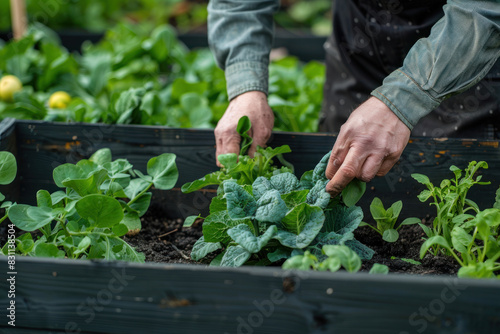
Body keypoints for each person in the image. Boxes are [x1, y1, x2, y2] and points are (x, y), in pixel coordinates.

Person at [207, 0, 500, 196]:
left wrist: (403, 101)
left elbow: (484, 9)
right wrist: (246, 87)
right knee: (343, 183)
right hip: (359, 38)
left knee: (460, 194)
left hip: (467, 49)